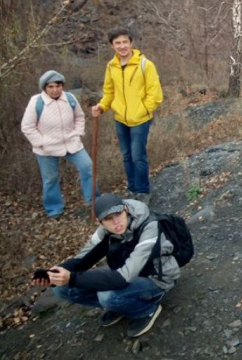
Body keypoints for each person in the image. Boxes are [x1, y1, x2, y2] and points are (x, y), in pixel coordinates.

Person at [32, 193, 180, 338]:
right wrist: (54, 274)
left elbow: (123, 277)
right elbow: (82, 260)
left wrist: (72, 278)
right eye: (108, 219)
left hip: (157, 279)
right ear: (100, 222)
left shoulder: (149, 226)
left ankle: (146, 309)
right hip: (127, 274)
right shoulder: (105, 231)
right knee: (61, 289)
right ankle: (122, 305)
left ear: (126, 210)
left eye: (118, 215)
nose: (116, 222)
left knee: (107, 295)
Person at [92, 28, 163, 204]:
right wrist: (102, 106)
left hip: (140, 119)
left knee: (138, 156)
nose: (122, 46)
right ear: (112, 46)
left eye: (125, 42)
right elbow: (109, 91)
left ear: (131, 43)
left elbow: (155, 93)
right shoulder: (111, 66)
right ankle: (132, 189)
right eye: (117, 43)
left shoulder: (145, 64)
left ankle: (143, 191)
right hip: (120, 119)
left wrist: (144, 109)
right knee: (126, 155)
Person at [21, 70, 95, 219]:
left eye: (58, 86)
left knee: (88, 167)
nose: (55, 90)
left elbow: (79, 117)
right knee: (51, 178)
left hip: (72, 143)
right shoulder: (36, 102)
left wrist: (78, 132)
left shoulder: (70, 98)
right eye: (51, 87)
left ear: (62, 86)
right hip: (47, 148)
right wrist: (41, 143)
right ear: (45, 88)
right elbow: (27, 126)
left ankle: (93, 200)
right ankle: (54, 209)